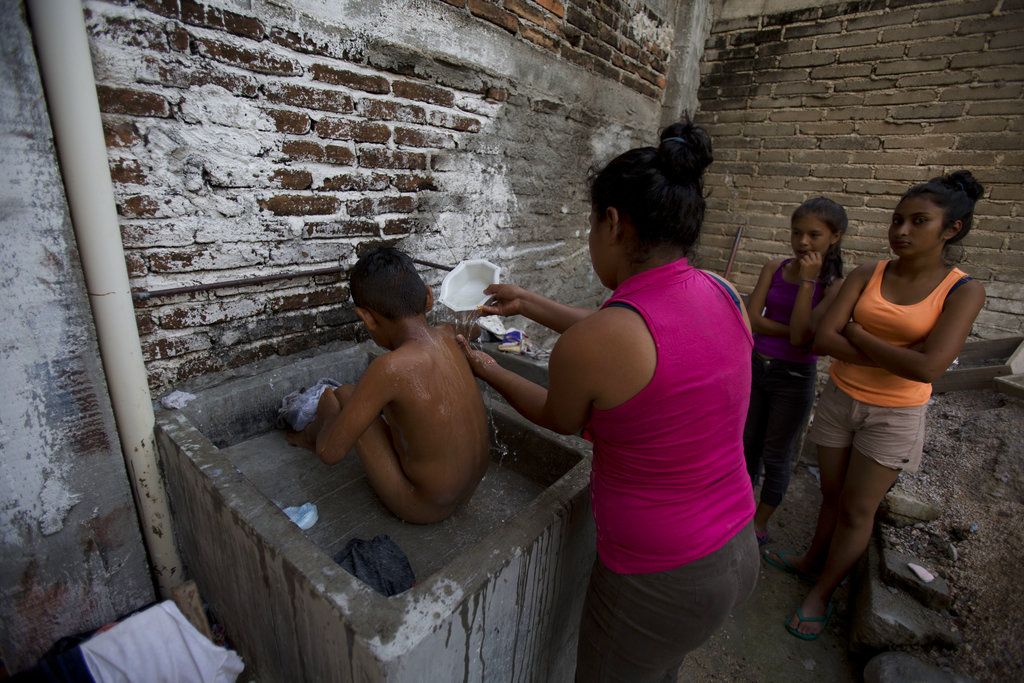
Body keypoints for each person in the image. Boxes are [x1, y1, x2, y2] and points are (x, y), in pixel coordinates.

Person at [457, 120, 759, 681]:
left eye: (590, 225)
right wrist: (528, 301)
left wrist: (485, 367)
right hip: (737, 545)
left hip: (658, 576)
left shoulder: (600, 343)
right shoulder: (722, 293)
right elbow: (631, 337)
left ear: (614, 223)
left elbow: (558, 415)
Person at [767, 171, 987, 640]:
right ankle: (810, 560)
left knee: (856, 509)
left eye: (918, 222)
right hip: (841, 397)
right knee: (830, 494)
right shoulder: (871, 272)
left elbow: (928, 369)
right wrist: (900, 355)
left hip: (894, 414)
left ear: (952, 229)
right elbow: (824, 339)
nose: (901, 231)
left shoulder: (961, 290)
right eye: (897, 220)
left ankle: (822, 594)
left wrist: (859, 332)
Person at [287, 247, 490, 524]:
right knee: (351, 396)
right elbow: (474, 328)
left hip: (422, 506)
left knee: (340, 395)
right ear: (428, 297)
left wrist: (326, 417)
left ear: (366, 317)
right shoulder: (449, 333)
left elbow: (330, 454)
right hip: (471, 491)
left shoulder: (390, 368)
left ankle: (306, 435)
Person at [744, 197, 848, 546]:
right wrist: (790, 331)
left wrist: (807, 283)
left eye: (814, 235)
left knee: (776, 453)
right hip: (757, 366)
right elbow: (752, 318)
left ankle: (759, 524)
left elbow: (805, 338)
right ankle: (739, 513)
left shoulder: (833, 286)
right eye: (797, 233)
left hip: (793, 378)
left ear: (835, 237)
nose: (803, 242)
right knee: (746, 445)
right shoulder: (774, 267)